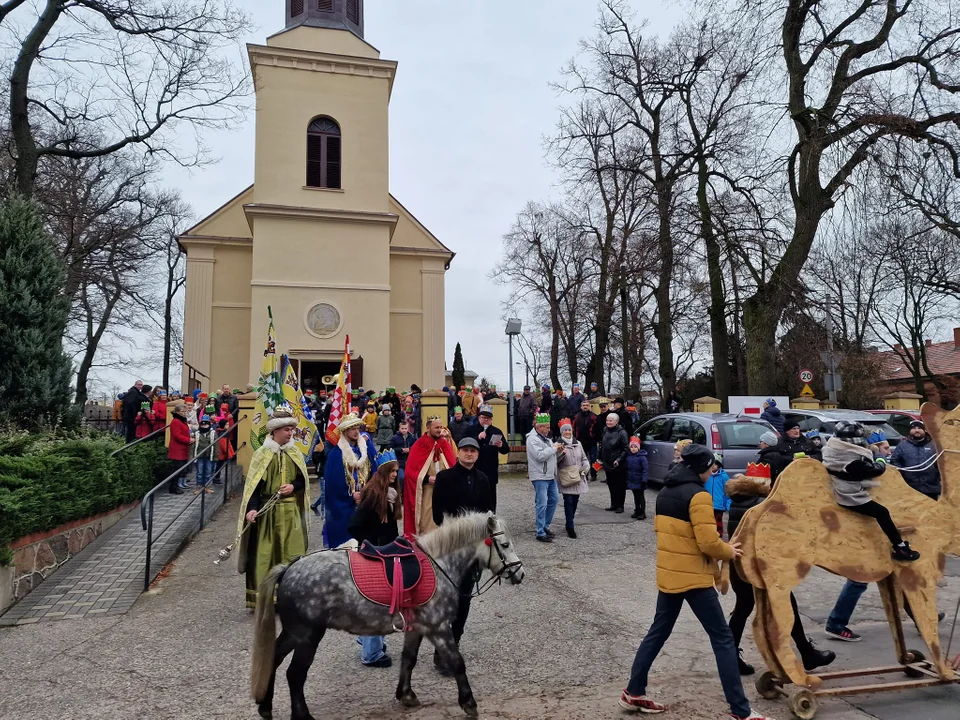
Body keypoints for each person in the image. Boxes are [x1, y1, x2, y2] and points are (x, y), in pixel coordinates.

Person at [618, 444, 772, 720]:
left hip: (670, 572)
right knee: (723, 639)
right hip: (693, 577)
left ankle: (634, 691)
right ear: (703, 468)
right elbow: (708, 543)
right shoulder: (699, 496)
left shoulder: (665, 491)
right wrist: (730, 550)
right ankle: (741, 710)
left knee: (658, 632)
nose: (712, 472)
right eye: (711, 467)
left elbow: (668, 533)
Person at [725, 462, 835, 675]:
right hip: (761, 567)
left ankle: (729, 656)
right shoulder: (761, 504)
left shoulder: (739, 501)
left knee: (743, 608)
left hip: (739, 565)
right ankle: (806, 653)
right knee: (786, 603)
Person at [431, 436, 495, 674]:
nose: (469, 454)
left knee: (464, 599)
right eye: (465, 450)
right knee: (445, 600)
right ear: (458, 453)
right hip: (449, 549)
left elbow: (490, 512)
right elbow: (438, 514)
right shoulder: (445, 478)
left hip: (472, 550)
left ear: (478, 455)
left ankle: (454, 642)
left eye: (473, 451)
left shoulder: (484, 479)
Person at [237, 410, 310, 609]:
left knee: (292, 554)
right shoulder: (262, 454)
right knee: (265, 555)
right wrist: (252, 509)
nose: (290, 434)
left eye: (292, 430)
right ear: (275, 431)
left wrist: (293, 486)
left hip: (290, 513)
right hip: (268, 512)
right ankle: (265, 599)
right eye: (287, 430)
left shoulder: (295, 453)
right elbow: (254, 486)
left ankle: (291, 597)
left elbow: (303, 480)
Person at [825, 421, 920, 562]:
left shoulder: (833, 448)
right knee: (882, 512)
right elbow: (876, 470)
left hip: (843, 483)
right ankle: (900, 547)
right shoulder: (851, 461)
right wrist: (880, 457)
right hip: (848, 494)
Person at [348, 450, 402, 668]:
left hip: (387, 552)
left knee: (380, 601)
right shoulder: (373, 495)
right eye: (393, 471)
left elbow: (390, 527)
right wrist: (369, 543)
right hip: (375, 555)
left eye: (397, 472)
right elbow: (353, 525)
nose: (395, 475)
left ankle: (368, 639)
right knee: (378, 603)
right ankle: (372, 653)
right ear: (384, 472)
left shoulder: (389, 494)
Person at [323, 413, 379, 549]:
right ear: (345, 431)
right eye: (352, 428)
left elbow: (376, 473)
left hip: (366, 500)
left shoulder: (366, 450)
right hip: (345, 504)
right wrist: (350, 495)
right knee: (346, 538)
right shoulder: (336, 455)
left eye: (358, 428)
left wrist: (368, 492)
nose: (356, 431)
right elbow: (333, 484)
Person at [402, 416, 456, 538]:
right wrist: (427, 479)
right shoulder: (419, 446)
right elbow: (410, 473)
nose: (439, 430)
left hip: (444, 493)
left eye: (440, 427)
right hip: (427, 492)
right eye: (436, 427)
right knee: (428, 524)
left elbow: (453, 467)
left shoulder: (445, 445)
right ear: (428, 428)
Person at [464, 404, 509, 511]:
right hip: (474, 469)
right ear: (479, 418)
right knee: (474, 497)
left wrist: (501, 445)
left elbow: (506, 450)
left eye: (488, 419)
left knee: (490, 499)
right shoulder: (470, 430)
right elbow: (463, 445)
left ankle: (491, 519)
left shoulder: (496, 431)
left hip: (490, 470)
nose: (486, 420)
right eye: (484, 418)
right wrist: (477, 438)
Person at [527, 412, 561, 542]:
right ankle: (540, 531)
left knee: (554, 499)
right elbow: (539, 456)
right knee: (542, 503)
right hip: (540, 475)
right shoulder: (532, 439)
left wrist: (558, 451)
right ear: (539, 427)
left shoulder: (546, 438)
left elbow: (550, 455)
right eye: (546, 427)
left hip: (550, 475)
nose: (548, 429)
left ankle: (545, 526)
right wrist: (553, 448)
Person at [889, 419, 941, 500]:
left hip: (931, 488)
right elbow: (894, 460)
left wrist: (937, 473)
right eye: (914, 428)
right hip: (910, 487)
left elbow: (942, 461)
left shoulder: (934, 445)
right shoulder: (902, 445)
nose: (917, 430)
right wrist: (902, 473)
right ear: (910, 430)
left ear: (924, 430)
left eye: (919, 428)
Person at [557, 419, 590, 538]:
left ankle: (570, 520)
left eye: (569, 430)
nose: (567, 432)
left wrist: (586, 467)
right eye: (565, 430)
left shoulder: (578, 443)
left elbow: (584, 458)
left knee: (575, 500)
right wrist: (561, 454)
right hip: (566, 476)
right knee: (568, 501)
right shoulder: (558, 444)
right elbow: (555, 461)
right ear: (562, 432)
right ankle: (570, 525)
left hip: (578, 475)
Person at [601, 413, 629, 513]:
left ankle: (620, 505)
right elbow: (602, 444)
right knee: (611, 484)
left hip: (618, 463)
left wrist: (619, 459)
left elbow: (626, 448)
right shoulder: (605, 430)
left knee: (620, 485)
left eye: (611, 420)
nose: (608, 422)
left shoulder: (622, 433)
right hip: (607, 461)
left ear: (616, 422)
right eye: (607, 420)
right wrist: (599, 457)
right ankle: (613, 503)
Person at [167, 403, 192, 495]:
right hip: (177, 449)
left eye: (185, 411)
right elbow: (177, 435)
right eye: (182, 411)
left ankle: (176, 486)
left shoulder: (182, 420)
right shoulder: (176, 421)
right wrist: (189, 440)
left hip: (183, 448)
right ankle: (173, 487)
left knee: (180, 469)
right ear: (177, 412)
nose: (184, 413)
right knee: (176, 469)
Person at [704, 453, 731, 535]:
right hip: (707, 503)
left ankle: (719, 536)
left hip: (719, 505)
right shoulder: (706, 475)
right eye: (711, 464)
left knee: (718, 523)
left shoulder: (724, 476)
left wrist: (728, 504)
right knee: (707, 521)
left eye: (715, 464)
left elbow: (728, 491)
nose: (713, 466)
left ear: (719, 465)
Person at [573, 400, 598, 480]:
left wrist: (595, 437)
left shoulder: (594, 416)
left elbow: (597, 428)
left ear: (589, 406)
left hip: (592, 441)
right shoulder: (577, 416)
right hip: (580, 441)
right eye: (584, 405)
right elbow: (573, 427)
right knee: (581, 459)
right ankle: (584, 474)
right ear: (581, 407)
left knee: (593, 459)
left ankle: (594, 474)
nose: (585, 407)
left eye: (587, 405)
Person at [626, 436, 649, 520]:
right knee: (635, 496)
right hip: (632, 479)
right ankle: (637, 510)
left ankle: (642, 511)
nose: (633, 449)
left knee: (641, 496)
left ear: (638, 448)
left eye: (635, 447)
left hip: (640, 480)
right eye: (631, 447)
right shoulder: (629, 457)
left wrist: (644, 480)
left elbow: (645, 469)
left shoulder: (642, 458)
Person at [390, 420, 417, 490]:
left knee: (411, 478)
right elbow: (390, 449)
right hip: (399, 462)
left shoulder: (412, 438)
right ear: (399, 429)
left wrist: (410, 450)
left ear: (408, 429)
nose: (404, 430)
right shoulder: (394, 438)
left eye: (405, 428)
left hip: (409, 462)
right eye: (402, 428)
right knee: (401, 477)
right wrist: (401, 450)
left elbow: (416, 447)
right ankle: (399, 491)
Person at [194, 415, 217, 494]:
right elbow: (193, 446)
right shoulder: (197, 433)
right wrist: (192, 457)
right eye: (202, 424)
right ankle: (199, 487)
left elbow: (216, 445)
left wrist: (216, 456)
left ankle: (207, 486)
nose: (204, 426)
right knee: (199, 472)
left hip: (209, 456)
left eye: (206, 424)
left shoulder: (213, 433)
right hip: (199, 456)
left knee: (208, 471)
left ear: (209, 424)